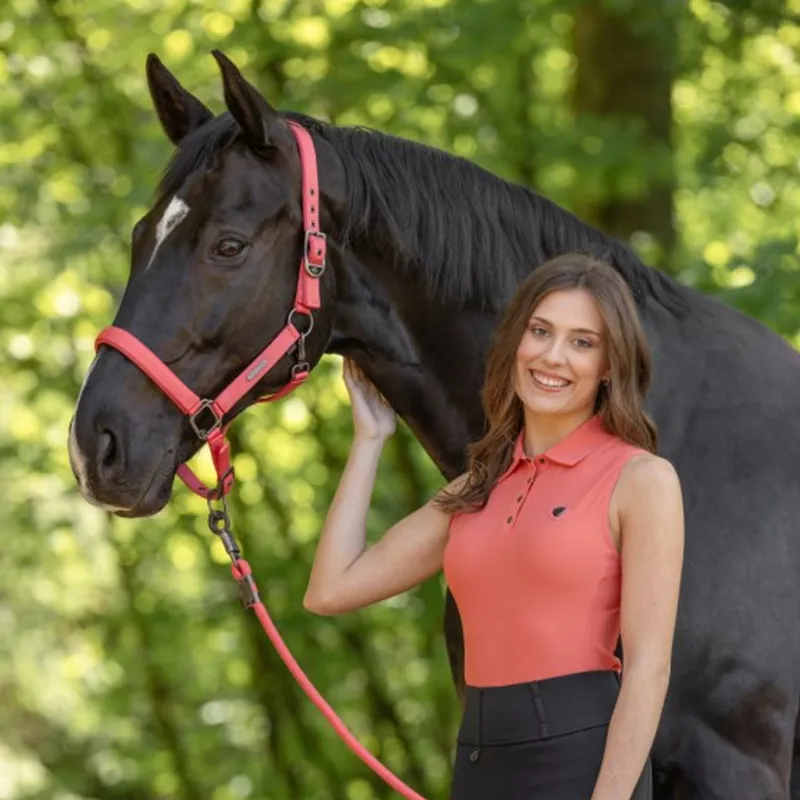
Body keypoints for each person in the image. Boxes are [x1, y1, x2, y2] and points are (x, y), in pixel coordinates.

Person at [303, 252, 684, 800]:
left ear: (608, 365)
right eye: (540, 331)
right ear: (514, 343)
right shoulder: (476, 488)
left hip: (581, 759)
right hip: (480, 757)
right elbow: (331, 588)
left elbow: (649, 666)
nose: (553, 356)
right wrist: (370, 441)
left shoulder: (640, 479)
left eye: (582, 342)